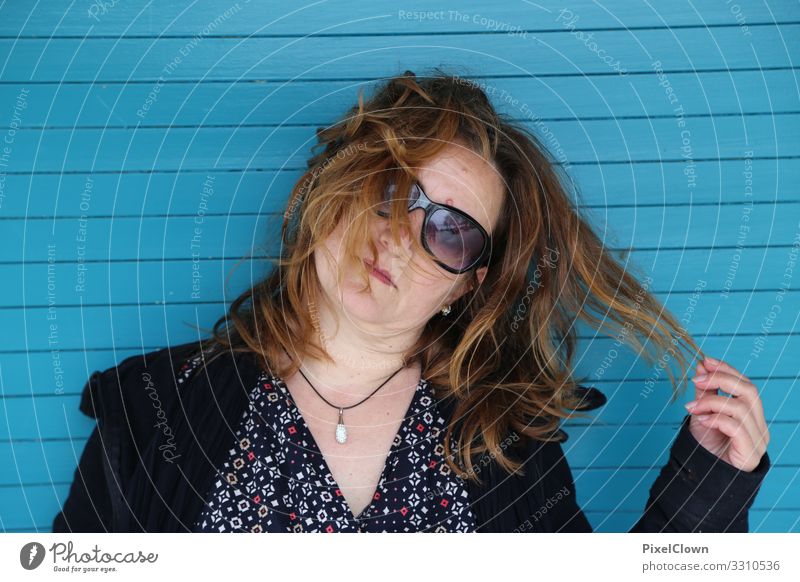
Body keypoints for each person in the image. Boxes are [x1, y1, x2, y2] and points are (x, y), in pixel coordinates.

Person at [53, 68, 770, 533]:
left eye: (451, 233)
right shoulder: (153, 413)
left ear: (468, 284)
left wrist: (704, 485)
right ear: (336, 183)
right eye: (394, 189)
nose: (400, 236)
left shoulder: (504, 447)